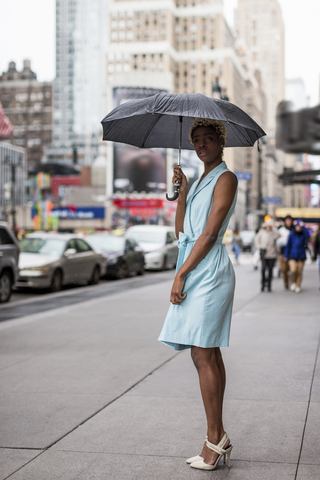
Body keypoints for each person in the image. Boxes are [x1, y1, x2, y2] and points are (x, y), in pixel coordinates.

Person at [158, 118, 238, 471]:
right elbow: (183, 233)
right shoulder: (202, 179)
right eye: (197, 140)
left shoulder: (226, 178)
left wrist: (181, 275)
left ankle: (213, 440)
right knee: (208, 354)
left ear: (221, 143)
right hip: (192, 263)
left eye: (209, 138)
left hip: (208, 270)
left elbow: (208, 234)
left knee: (203, 354)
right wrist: (184, 192)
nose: (202, 144)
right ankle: (217, 436)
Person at [284, 219, 310, 293]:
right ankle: (293, 282)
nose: (298, 228)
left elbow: (307, 236)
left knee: (299, 271)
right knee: (293, 270)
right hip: (293, 255)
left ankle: (298, 285)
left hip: (301, 255)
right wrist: (286, 255)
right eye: (297, 226)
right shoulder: (292, 234)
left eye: (300, 227)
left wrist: (303, 226)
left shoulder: (303, 234)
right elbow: (288, 245)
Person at [254, 219, 280, 292]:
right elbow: (256, 239)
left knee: (270, 270)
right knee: (263, 269)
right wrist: (260, 247)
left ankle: (269, 285)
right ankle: (262, 284)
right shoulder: (262, 232)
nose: (268, 227)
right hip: (264, 254)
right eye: (267, 226)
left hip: (272, 254)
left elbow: (278, 235)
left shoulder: (273, 233)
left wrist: (274, 227)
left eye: (269, 226)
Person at [276, 215, 293, 289]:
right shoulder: (281, 230)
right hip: (283, 252)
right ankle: (286, 283)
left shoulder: (294, 229)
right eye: (287, 220)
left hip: (292, 253)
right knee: (284, 269)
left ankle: (292, 283)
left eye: (290, 220)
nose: (288, 222)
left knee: (292, 269)